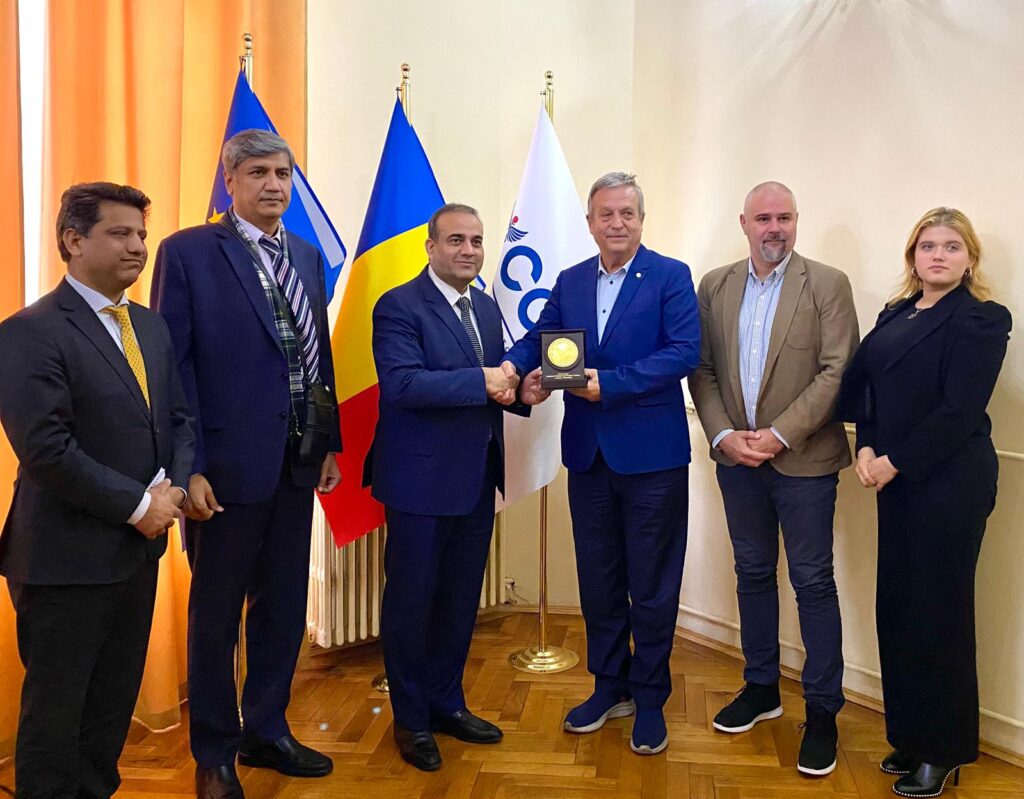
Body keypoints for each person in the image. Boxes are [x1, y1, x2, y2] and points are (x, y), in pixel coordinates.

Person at [151, 130, 341, 799]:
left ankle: (267, 728)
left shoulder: (307, 256)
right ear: (229, 180)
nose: (273, 185)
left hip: (296, 464)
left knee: (282, 607)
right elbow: (172, 368)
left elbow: (316, 355)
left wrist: (327, 442)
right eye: (258, 172)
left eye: (283, 173)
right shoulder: (188, 253)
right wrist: (189, 467)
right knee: (216, 615)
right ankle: (214, 752)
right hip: (224, 471)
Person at [0, 182, 194, 799]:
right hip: (64, 562)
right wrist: (139, 506)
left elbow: (178, 420)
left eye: (141, 234)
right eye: (120, 233)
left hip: (135, 555)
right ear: (73, 240)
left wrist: (173, 491)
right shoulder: (28, 332)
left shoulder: (151, 328)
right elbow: (46, 450)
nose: (138, 246)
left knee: (110, 708)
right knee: (56, 718)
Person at [503, 172, 700, 756]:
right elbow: (541, 338)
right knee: (600, 580)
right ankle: (609, 687)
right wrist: (512, 368)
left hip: (653, 459)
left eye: (627, 213)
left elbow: (683, 353)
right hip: (588, 457)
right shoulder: (570, 280)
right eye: (606, 214)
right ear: (589, 222)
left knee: (653, 585)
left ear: (641, 220)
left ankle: (651, 698)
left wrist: (609, 383)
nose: (617, 223)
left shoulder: (670, 276)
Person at [838, 208, 1011, 797]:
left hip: (950, 482)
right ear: (913, 255)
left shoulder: (983, 318)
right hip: (896, 479)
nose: (938, 255)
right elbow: (865, 386)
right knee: (899, 609)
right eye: (928, 245)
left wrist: (893, 461)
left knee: (940, 614)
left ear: (970, 259)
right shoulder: (895, 313)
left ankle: (945, 750)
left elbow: (959, 410)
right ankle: (910, 737)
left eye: (951, 246)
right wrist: (866, 446)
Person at [689, 181, 858, 776]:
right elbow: (702, 369)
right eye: (763, 218)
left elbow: (837, 369)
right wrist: (723, 435)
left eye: (784, 217)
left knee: (813, 583)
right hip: (737, 460)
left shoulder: (828, 284)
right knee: (753, 573)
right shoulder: (716, 285)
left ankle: (823, 712)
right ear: (745, 224)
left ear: (796, 221)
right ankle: (761, 687)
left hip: (804, 460)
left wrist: (780, 434)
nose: (774, 228)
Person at [369, 203, 524, 771]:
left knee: (459, 601)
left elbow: (496, 384)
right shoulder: (398, 305)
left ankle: (446, 703)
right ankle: (411, 720)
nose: (468, 250)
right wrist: (487, 380)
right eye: (456, 240)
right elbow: (404, 384)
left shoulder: (484, 306)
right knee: (412, 603)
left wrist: (521, 389)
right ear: (430, 247)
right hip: (418, 482)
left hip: (476, 479)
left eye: (477, 241)